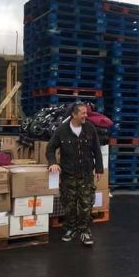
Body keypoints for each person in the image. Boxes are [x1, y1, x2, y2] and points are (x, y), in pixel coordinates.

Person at [46, 102, 103, 246]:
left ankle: (84, 231)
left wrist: (99, 168)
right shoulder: (62, 130)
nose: (86, 115)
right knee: (69, 204)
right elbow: (50, 148)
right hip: (68, 175)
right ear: (74, 114)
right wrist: (52, 162)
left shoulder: (90, 129)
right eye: (83, 113)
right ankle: (70, 228)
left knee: (86, 204)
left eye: (86, 112)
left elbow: (97, 149)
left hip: (86, 174)